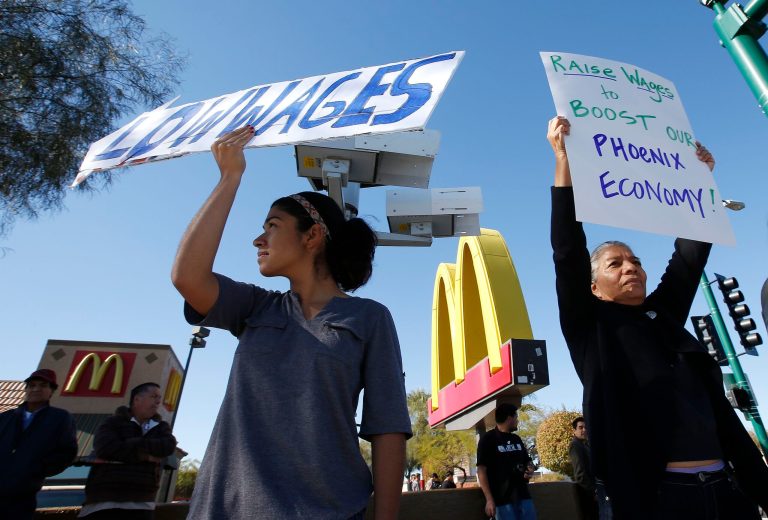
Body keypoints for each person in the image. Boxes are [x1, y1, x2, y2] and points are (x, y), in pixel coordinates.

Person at [171, 125, 412, 520]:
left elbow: (388, 427)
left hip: (331, 511)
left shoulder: (370, 317)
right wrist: (230, 177)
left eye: (272, 226)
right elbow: (187, 277)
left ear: (312, 235)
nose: (258, 239)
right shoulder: (254, 307)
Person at [547, 115, 768, 520]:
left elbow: (689, 256)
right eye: (615, 264)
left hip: (727, 489)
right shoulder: (589, 326)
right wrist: (564, 160)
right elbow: (566, 251)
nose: (630, 267)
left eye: (634, 260)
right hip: (658, 498)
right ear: (593, 286)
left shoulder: (663, 314)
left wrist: (702, 180)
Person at [79, 382, 177, 519]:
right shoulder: (113, 422)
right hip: (103, 501)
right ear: (137, 399)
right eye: (154, 396)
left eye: (159, 398)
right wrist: (146, 456)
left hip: (143, 502)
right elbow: (106, 448)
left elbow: (168, 446)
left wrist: (129, 444)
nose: (158, 402)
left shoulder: (161, 427)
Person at [0, 369, 77, 520]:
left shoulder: (59, 418)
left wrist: (36, 469)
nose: (36, 389)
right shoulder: (5, 418)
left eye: (42, 385)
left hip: (23, 496)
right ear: (26, 389)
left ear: (51, 391)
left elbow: (67, 452)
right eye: (32, 385)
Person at [476, 403, 536, 520]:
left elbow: (527, 461)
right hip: (502, 501)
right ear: (509, 418)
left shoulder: (516, 439)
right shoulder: (488, 440)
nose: (517, 421)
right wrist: (489, 499)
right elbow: (481, 470)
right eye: (516, 417)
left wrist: (530, 468)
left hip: (524, 496)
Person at [568, 416, 598, 520]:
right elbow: (580, 474)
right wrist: (594, 491)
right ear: (574, 430)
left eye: (585, 427)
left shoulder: (585, 445)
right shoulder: (575, 445)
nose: (584, 430)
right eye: (580, 427)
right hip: (587, 495)